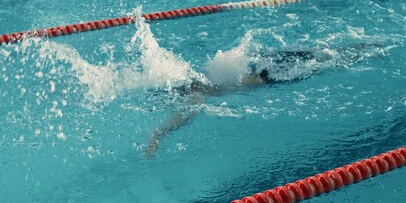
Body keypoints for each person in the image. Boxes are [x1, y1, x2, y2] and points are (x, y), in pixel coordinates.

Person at [144, 43, 380, 157]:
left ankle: (368, 49)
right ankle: (368, 48)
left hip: (267, 75)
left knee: (328, 60)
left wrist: (157, 136)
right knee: (327, 56)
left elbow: (186, 115)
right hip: (263, 65)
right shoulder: (205, 77)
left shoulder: (196, 92)